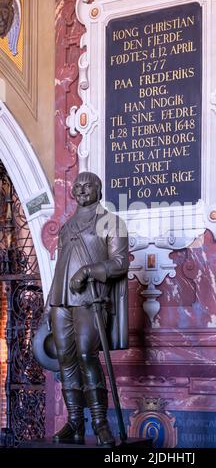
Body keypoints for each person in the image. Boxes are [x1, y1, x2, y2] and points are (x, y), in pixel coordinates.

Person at [41, 171, 129, 446]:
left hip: (90, 300)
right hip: (61, 301)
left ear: (99, 190)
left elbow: (120, 262)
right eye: (77, 186)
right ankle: (75, 423)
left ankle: (101, 424)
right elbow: (59, 269)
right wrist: (48, 304)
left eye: (87, 185)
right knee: (65, 362)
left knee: (85, 355)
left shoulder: (111, 222)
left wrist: (90, 270)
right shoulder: (67, 227)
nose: (80, 189)